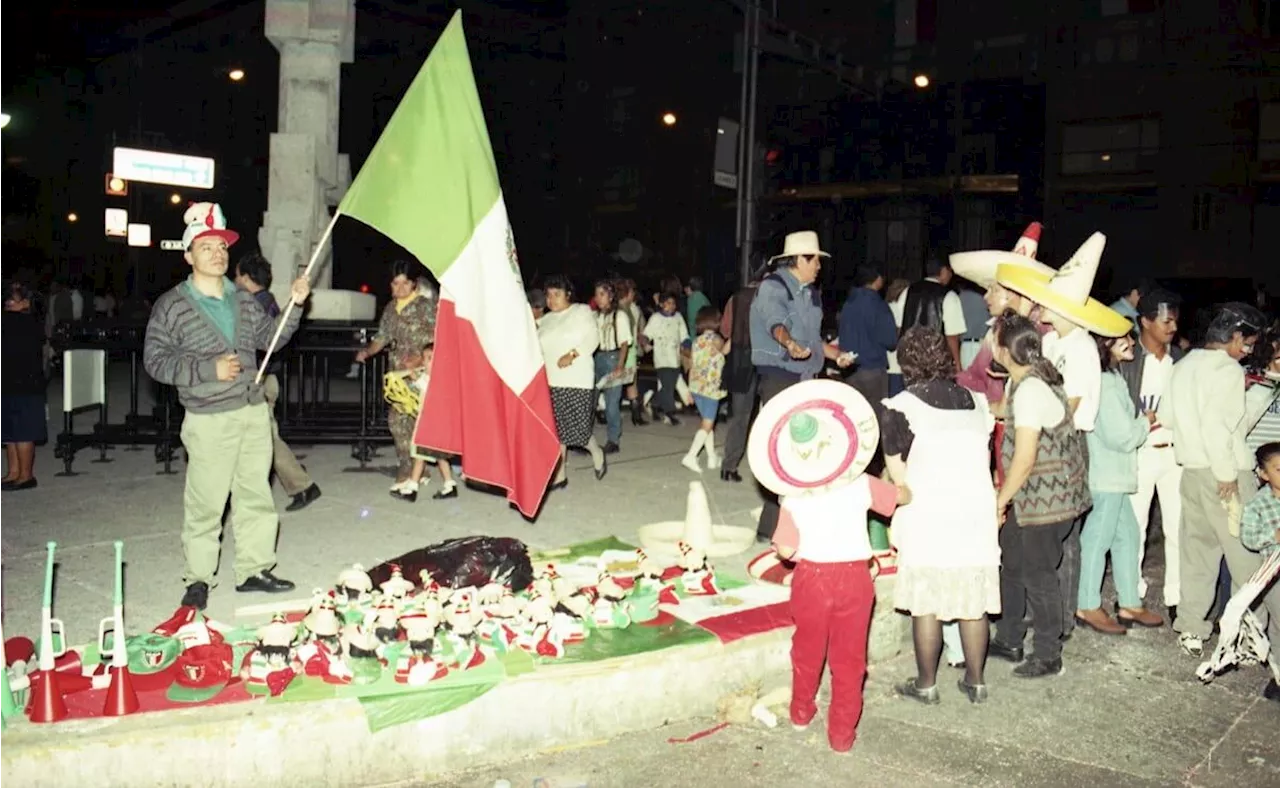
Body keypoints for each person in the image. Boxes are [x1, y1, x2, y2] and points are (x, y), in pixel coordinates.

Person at [143, 203, 309, 609]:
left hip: (252, 411)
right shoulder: (172, 305)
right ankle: (199, 577)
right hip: (209, 417)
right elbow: (155, 360)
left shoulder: (244, 300)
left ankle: (254, 569)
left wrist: (295, 304)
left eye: (222, 246)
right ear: (188, 255)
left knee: (255, 494)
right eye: (206, 246)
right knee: (206, 502)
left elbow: (271, 340)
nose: (217, 253)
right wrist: (206, 369)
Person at [882, 328, 1000, 705]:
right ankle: (976, 682)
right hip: (974, 509)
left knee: (927, 601)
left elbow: (900, 480)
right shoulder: (978, 402)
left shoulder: (899, 406)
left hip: (929, 510)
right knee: (972, 600)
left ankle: (927, 683)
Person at [1161, 302, 1270, 659]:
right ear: (1235, 336)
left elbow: (1167, 417)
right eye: (1248, 343)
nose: (1248, 351)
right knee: (1248, 559)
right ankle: (1255, 635)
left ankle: (1192, 628)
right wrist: (1226, 475)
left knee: (1197, 554)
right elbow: (1216, 426)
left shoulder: (1184, 363)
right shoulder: (1227, 370)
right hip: (1227, 474)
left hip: (1191, 471)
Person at [772, 464, 906, 752]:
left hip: (811, 577)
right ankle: (841, 735)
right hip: (854, 577)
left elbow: (784, 550)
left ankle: (800, 713)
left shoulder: (794, 493)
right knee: (849, 659)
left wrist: (805, 553)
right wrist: (902, 486)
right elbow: (901, 498)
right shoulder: (861, 483)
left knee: (807, 649)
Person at [988, 312, 1090, 678]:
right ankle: (1010, 637)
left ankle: (1049, 654)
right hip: (1035, 497)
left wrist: (1000, 500)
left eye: (992, 336)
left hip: (1049, 501)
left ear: (1002, 350)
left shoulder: (1031, 388)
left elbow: (1026, 458)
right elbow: (1004, 410)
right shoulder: (1024, 379)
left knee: (1039, 573)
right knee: (1011, 559)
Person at [750, 231, 851, 540]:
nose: (819, 266)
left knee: (803, 452)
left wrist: (836, 356)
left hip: (805, 377)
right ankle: (771, 529)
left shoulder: (810, 293)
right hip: (780, 377)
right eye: (816, 260)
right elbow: (775, 322)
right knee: (782, 451)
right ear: (800, 260)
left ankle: (788, 526)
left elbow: (813, 341)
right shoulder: (773, 287)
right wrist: (790, 343)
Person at [1076, 333, 1164, 634]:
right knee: (1097, 540)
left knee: (1126, 537)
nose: (1130, 341)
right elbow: (1123, 437)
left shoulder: (1110, 376)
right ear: (1105, 345)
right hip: (1107, 475)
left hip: (1113, 474)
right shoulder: (1108, 381)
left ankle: (1129, 602)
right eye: (1121, 339)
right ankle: (1087, 605)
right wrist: (1146, 421)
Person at [234, 252, 321, 512]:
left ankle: (303, 485)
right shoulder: (267, 301)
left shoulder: (252, 305)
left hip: (261, 380)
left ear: (247, 278)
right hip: (267, 377)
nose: (234, 280)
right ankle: (300, 485)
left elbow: (268, 340)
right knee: (265, 437)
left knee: (267, 439)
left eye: (237, 275)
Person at [1117, 289, 1185, 614]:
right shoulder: (1128, 362)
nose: (1172, 327)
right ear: (1144, 321)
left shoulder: (1182, 362)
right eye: (1165, 320)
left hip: (1175, 455)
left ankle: (1176, 597)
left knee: (1177, 526)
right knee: (1134, 527)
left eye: (1174, 320)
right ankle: (1131, 593)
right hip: (1141, 452)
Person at [354, 261, 437, 496]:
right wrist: (368, 352)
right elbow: (382, 336)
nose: (400, 288)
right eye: (395, 283)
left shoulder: (426, 307)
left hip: (421, 375)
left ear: (413, 285)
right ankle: (414, 468)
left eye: (405, 283)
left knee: (407, 423)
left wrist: (422, 361)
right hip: (398, 377)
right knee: (401, 422)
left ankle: (410, 469)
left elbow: (440, 337)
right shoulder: (391, 308)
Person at [537, 275, 606, 487]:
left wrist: (572, 354)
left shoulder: (581, 312)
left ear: (568, 294)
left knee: (578, 432)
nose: (551, 299)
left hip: (577, 380)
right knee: (557, 431)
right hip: (551, 381)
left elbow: (593, 339)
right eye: (548, 295)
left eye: (556, 294)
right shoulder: (545, 320)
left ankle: (597, 452)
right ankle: (560, 476)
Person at [0, 282, 47, 492]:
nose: (9, 301)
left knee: (23, 430)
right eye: (8, 298)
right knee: (9, 433)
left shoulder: (30, 322)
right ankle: (13, 472)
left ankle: (26, 476)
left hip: (26, 384)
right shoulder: (11, 321)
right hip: (8, 382)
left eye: (14, 298)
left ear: (26, 302)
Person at [717, 272, 761, 483]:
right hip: (768, 361)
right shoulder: (771, 295)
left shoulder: (735, 298)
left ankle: (729, 465)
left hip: (740, 359)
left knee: (740, 417)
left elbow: (726, 329)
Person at [837, 264, 897, 413]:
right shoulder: (878, 304)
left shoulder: (848, 302)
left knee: (856, 417)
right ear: (878, 279)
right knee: (876, 418)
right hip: (873, 369)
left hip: (850, 368)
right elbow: (890, 341)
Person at [894, 258, 968, 374]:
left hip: (910, 357)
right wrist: (957, 364)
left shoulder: (908, 291)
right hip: (936, 359)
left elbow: (899, 327)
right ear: (943, 271)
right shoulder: (949, 296)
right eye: (950, 271)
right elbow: (952, 336)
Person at [682, 306, 730, 473]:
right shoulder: (716, 339)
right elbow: (723, 350)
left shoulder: (697, 341)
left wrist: (688, 389)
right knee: (708, 424)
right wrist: (731, 338)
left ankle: (711, 458)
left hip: (697, 387)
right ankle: (691, 456)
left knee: (707, 423)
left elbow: (692, 364)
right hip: (711, 389)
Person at [593, 280, 632, 452]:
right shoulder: (596, 316)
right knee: (591, 399)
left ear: (611, 296)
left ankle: (613, 440)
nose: (598, 298)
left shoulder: (619, 316)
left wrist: (620, 365)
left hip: (612, 357)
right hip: (597, 357)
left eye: (602, 294)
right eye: (596, 294)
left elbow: (624, 343)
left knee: (612, 402)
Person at [644, 291, 688, 426]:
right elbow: (646, 334)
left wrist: (687, 347)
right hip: (661, 358)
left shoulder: (678, 317)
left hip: (675, 358)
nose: (672, 306)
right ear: (662, 304)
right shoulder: (655, 318)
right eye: (668, 303)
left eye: (673, 303)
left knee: (669, 386)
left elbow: (684, 336)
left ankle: (654, 403)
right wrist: (644, 342)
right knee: (668, 387)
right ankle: (670, 413)